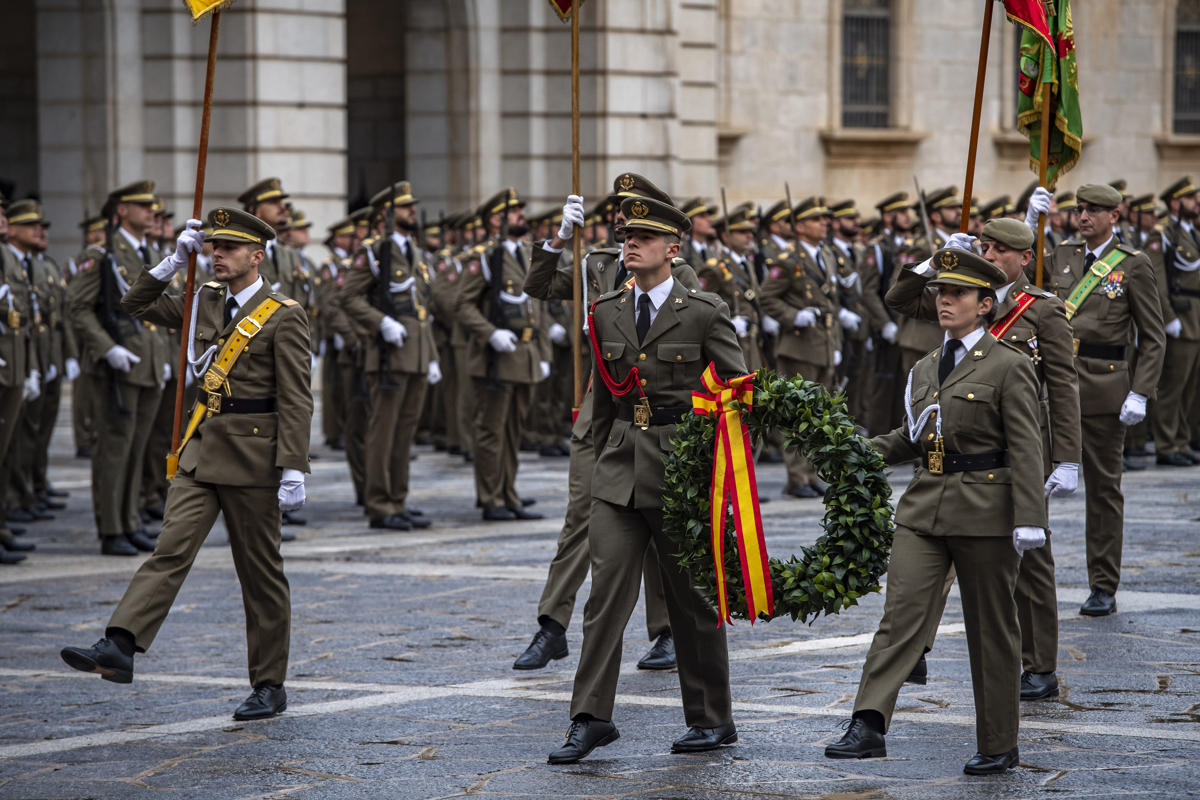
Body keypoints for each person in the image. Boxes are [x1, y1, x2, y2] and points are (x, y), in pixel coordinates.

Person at [60, 208, 312, 721]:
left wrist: (292, 467)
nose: (216, 255)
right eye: (212, 247)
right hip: (202, 451)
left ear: (256, 256)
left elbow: (297, 397)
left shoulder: (284, 314)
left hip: (253, 457)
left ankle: (269, 684)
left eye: (229, 249)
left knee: (260, 575)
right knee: (169, 551)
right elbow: (134, 304)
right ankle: (120, 644)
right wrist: (171, 262)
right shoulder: (204, 301)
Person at [825, 248, 1046, 775]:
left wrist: (1030, 516)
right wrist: (852, 452)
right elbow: (914, 435)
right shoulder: (925, 366)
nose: (945, 300)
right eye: (941, 293)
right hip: (924, 509)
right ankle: (869, 723)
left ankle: (998, 741)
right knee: (899, 617)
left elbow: (1027, 444)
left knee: (991, 629)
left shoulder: (1010, 366)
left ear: (985, 304)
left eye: (958, 294)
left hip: (986, 512)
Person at [548, 196, 744, 764]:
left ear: (673, 250)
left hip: (682, 471)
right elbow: (607, 401)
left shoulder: (704, 310)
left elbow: (737, 395)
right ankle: (589, 717)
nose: (630, 243)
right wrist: (591, 469)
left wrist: (721, 475)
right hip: (617, 470)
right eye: (627, 235)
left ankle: (711, 718)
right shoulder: (608, 308)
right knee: (604, 599)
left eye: (645, 237)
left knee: (692, 601)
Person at [885, 217, 1081, 701]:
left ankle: (1039, 665)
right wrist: (936, 261)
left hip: (1015, 451)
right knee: (936, 555)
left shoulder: (1041, 310)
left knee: (1030, 561)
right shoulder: (961, 293)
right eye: (984, 247)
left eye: (998, 251)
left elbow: (1062, 386)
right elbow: (901, 300)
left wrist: (1068, 457)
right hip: (951, 447)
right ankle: (915, 650)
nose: (990, 256)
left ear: (1023, 259)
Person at [516, 173, 700, 674]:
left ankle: (665, 631)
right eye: (621, 216)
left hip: (655, 415)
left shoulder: (678, 273)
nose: (624, 224)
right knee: (581, 517)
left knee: (656, 525)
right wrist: (556, 240)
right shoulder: (596, 263)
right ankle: (551, 627)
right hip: (602, 411)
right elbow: (538, 286)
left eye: (636, 216)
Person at [1028, 183, 1165, 615]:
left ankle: (1103, 583)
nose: (1083, 216)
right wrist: (1029, 225)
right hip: (1055, 387)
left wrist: (1140, 391)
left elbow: (1153, 337)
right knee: (1036, 483)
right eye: (1079, 209)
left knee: (1104, 491)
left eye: (1093, 211)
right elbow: (1021, 273)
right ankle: (1029, 576)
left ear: (1114, 216)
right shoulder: (1065, 256)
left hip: (1106, 389)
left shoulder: (1134, 265)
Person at [66, 181, 167, 556]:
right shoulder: (103, 253)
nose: (151, 212)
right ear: (121, 210)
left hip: (149, 363)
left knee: (137, 449)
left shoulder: (150, 250)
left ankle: (130, 520)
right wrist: (107, 349)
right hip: (116, 367)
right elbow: (77, 308)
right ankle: (111, 528)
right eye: (143, 206)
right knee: (114, 449)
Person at [341, 184, 440, 531]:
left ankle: (398, 499)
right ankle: (379, 503)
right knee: (382, 432)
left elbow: (422, 307)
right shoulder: (373, 251)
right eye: (404, 207)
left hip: (415, 353)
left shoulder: (412, 250)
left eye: (412, 205)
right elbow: (349, 298)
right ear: (386, 213)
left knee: (404, 432)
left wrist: (431, 356)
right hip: (386, 355)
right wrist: (380, 322)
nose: (412, 211)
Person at [454, 189, 550, 521]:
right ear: (496, 219)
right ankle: (491, 496)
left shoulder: (526, 252)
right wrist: (489, 333)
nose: (522, 216)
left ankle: (508, 492)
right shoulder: (484, 256)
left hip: (525, 355)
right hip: (496, 357)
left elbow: (539, 305)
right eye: (514, 212)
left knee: (513, 431)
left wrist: (544, 352)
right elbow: (462, 305)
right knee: (491, 431)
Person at [759, 196, 854, 497]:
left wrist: (836, 341)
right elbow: (766, 297)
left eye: (826, 219)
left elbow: (832, 302)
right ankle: (797, 478)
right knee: (797, 414)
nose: (825, 223)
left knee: (819, 414)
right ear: (799, 226)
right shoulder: (789, 259)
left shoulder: (825, 254)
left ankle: (813, 473)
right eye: (817, 219)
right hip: (798, 346)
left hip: (823, 344)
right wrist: (792, 317)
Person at [1151, 178, 1200, 466]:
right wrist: (1168, 318)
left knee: (1188, 387)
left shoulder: (1188, 232)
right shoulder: (1163, 235)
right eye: (1190, 198)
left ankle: (1180, 440)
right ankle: (1166, 444)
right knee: (1172, 386)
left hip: (1194, 319)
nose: (1196, 202)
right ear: (1174, 203)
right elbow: (1158, 283)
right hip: (1180, 318)